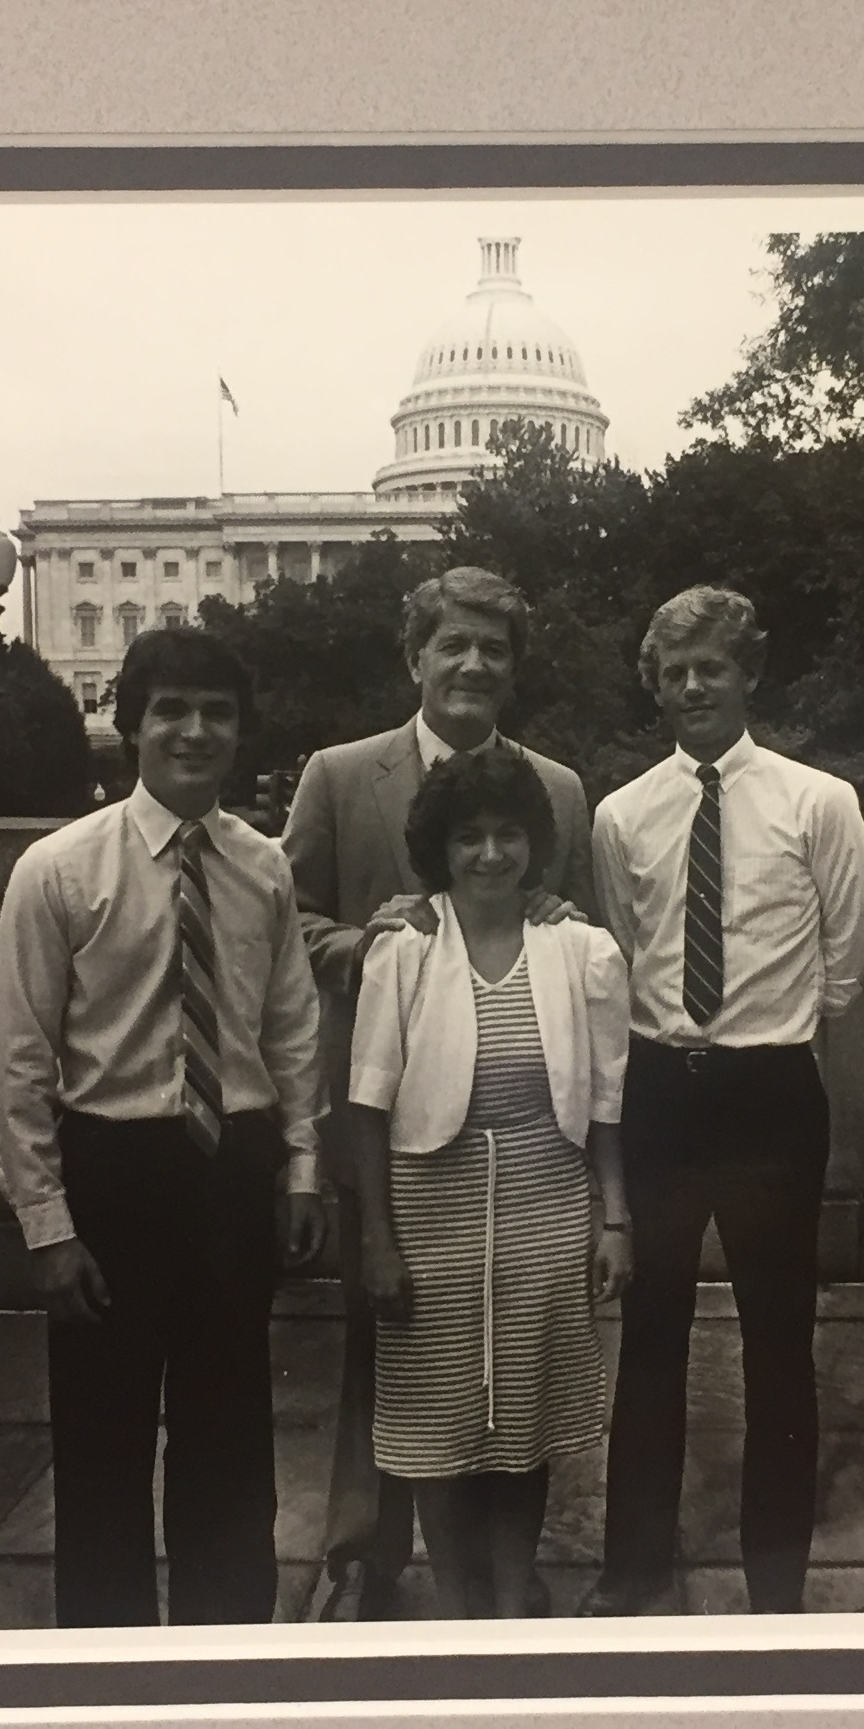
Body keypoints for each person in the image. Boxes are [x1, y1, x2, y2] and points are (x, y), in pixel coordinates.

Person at [0, 626, 327, 1626]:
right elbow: (19, 1056)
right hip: (114, 1174)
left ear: (240, 733)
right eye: (170, 710)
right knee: (102, 1441)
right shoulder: (57, 871)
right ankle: (108, 1667)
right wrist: (48, 1225)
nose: (194, 730)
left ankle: (230, 1657)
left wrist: (302, 1166)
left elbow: (291, 1023)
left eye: (216, 712)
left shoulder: (262, 865)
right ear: (129, 724)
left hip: (231, 1174)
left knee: (230, 1436)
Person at [282, 565, 595, 1621]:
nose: (472, 664)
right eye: (452, 644)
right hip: (387, 1108)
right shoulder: (339, 774)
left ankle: (501, 1564)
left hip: (516, 1123)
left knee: (505, 1341)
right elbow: (289, 917)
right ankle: (363, 1551)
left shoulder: (555, 790)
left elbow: (569, 927)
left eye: (493, 649)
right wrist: (362, 945)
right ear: (414, 656)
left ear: (514, 669)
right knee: (387, 1331)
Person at [586, 586, 864, 1616]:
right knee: (651, 1339)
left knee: (778, 1341)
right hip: (665, 1090)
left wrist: (770, 1032)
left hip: (769, 1092)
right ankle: (631, 1570)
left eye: (713, 665)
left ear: (751, 673)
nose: (694, 685)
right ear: (655, 686)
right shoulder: (622, 815)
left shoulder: (819, 802)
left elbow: (848, 959)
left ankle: (777, 1577)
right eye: (674, 671)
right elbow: (624, 948)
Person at [340, 749, 633, 1618]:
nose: (491, 854)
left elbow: (609, 1102)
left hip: (548, 1201)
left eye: (509, 834)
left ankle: (512, 1599)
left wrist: (613, 1217)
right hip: (433, 1207)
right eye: (469, 837)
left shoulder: (581, 947)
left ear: (533, 844)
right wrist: (377, 1240)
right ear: (441, 847)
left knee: (526, 1421)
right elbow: (365, 1103)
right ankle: (460, 1602)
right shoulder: (402, 949)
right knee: (438, 1423)